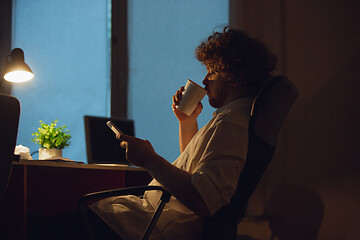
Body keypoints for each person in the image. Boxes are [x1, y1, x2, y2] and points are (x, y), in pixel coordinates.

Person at [90, 26, 277, 240]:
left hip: (149, 226)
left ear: (235, 77)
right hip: (147, 218)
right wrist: (188, 122)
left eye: (212, 72)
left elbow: (203, 199)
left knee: (50, 225)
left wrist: (149, 159)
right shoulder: (232, 118)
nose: (205, 81)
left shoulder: (232, 124)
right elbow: (194, 173)